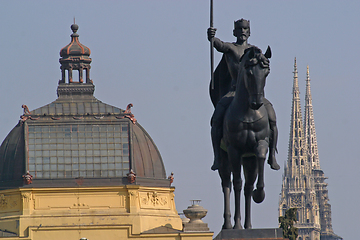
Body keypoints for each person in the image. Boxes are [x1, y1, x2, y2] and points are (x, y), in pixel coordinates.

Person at [208, 19, 280, 171]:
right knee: (217, 118)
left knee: (272, 117)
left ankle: (272, 156)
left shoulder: (254, 50)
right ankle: (217, 157)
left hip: (254, 94)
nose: (242, 31)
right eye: (239, 29)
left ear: (249, 32)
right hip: (233, 92)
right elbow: (220, 45)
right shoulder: (231, 48)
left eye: (245, 29)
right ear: (234, 32)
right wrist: (212, 37)